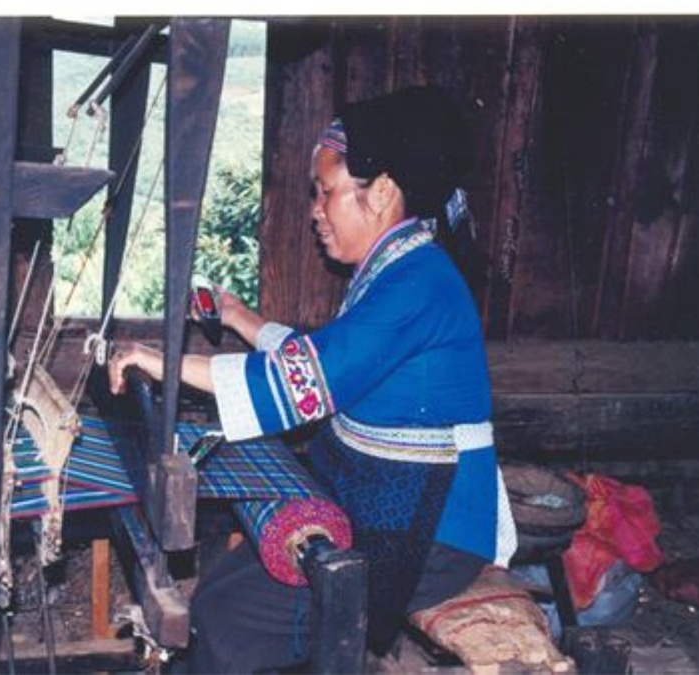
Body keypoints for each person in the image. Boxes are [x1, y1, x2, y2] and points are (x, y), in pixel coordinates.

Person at [108, 85, 516, 673]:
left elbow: (309, 377)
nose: (315, 211)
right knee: (218, 592)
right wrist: (239, 317)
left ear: (381, 192)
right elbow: (330, 357)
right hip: (381, 507)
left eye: (326, 193)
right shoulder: (396, 268)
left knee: (227, 623)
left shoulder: (419, 282)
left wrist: (161, 363)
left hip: (428, 535)